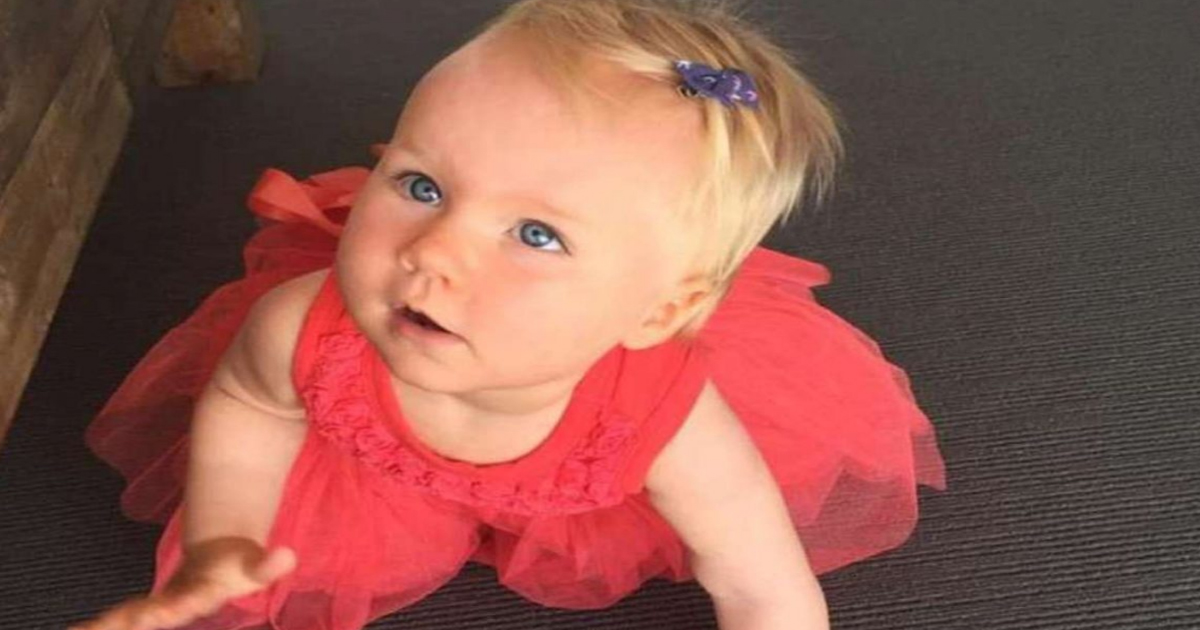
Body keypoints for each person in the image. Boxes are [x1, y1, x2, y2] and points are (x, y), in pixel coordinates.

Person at [75, 1, 946, 628]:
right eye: (421, 186)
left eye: (536, 234)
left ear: (661, 309)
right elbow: (250, 407)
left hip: (584, 444)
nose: (433, 252)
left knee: (724, 507)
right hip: (366, 461)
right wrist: (224, 533)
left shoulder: (665, 416)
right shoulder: (303, 327)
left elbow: (760, 583)